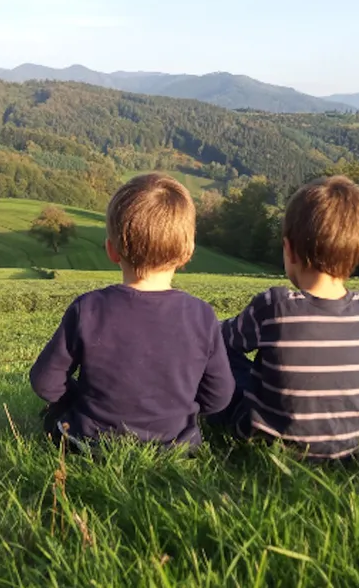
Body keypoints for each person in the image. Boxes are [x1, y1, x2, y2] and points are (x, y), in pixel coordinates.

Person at [30, 173, 235, 451]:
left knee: (54, 417)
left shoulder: (87, 308)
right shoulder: (201, 315)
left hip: (89, 444)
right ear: (187, 252)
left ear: (111, 250)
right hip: (175, 446)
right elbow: (218, 397)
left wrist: (79, 398)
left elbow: (45, 383)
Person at [212, 175, 359, 461]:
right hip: (358, 444)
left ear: (289, 249)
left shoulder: (274, 305)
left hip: (272, 443)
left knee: (224, 359)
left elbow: (222, 339)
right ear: (358, 251)